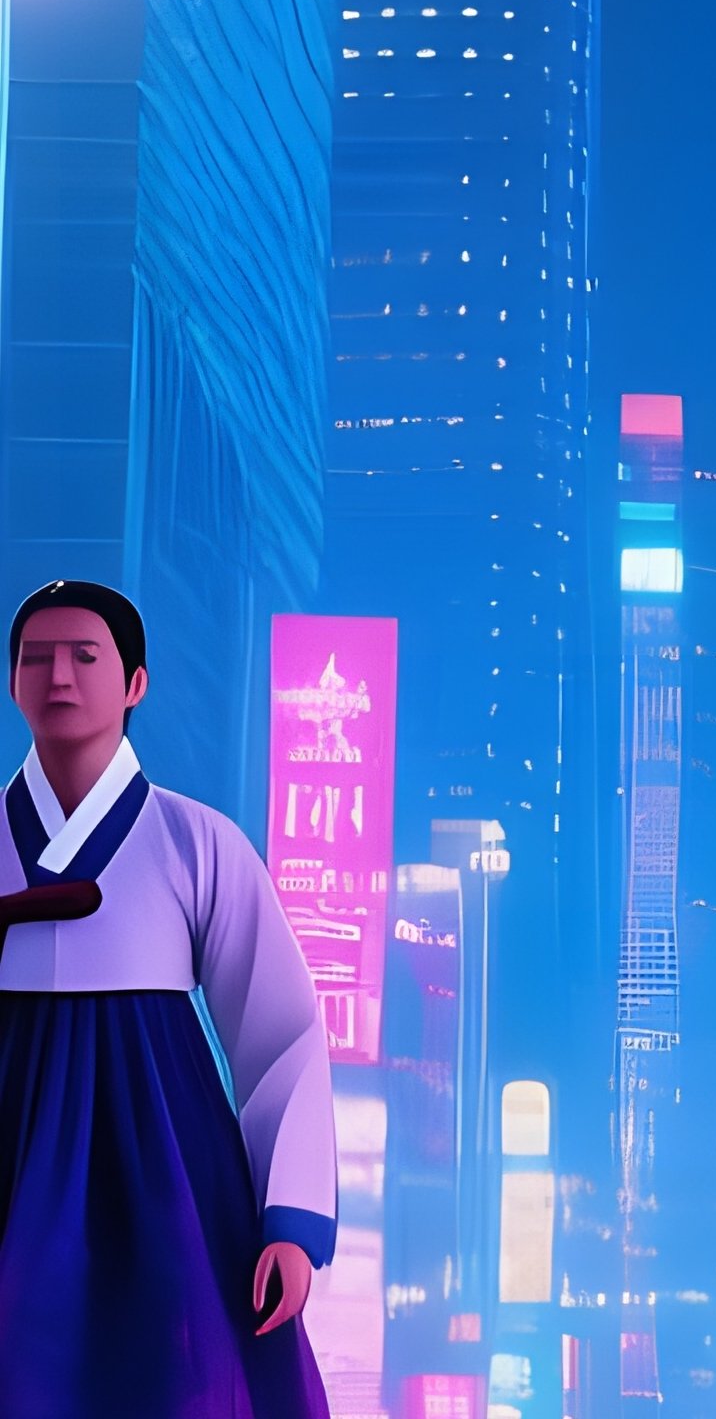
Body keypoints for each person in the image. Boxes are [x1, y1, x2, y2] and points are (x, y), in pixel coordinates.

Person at [0, 579, 336, 1418]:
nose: (60, 678)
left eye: (86, 656)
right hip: (10, 1123)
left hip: (165, 1149)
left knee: (179, 1366)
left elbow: (279, 1033)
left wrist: (290, 1221)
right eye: (36, 658)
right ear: (11, 682)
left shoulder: (200, 842)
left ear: (136, 683)